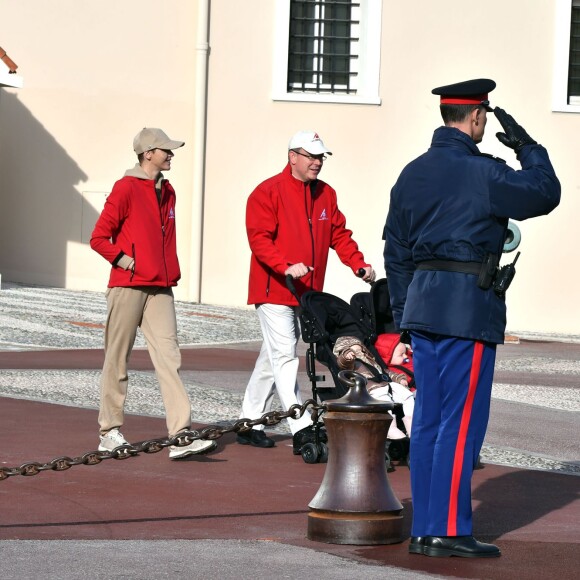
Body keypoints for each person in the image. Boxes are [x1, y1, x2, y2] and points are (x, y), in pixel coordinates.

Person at [383, 79, 560, 558]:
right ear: (478, 116)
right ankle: (451, 529)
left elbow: (395, 254)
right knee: (461, 423)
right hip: (467, 307)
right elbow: (545, 193)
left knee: (428, 422)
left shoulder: (411, 173)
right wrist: (529, 147)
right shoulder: (484, 172)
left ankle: (426, 526)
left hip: (423, 307)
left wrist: (404, 318)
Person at [239, 130, 376, 451]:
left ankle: (248, 420)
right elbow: (259, 239)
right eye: (311, 157)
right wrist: (284, 264)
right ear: (293, 157)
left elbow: (339, 234)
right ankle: (301, 426)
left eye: (320, 157)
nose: (317, 163)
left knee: (272, 357)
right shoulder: (267, 192)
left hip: (307, 292)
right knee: (286, 355)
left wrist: (358, 264)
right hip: (274, 288)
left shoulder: (326, 194)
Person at [90, 127, 217, 460]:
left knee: (170, 359)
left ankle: (180, 435)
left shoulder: (168, 191)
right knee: (117, 358)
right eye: (166, 150)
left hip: (161, 287)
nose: (171, 154)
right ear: (148, 153)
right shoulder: (126, 188)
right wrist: (126, 261)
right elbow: (99, 237)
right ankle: (109, 431)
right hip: (128, 285)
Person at [332, 335, 414, 439]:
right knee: (384, 400)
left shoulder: (371, 360)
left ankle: (412, 425)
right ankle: (390, 427)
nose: (359, 352)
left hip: (386, 383)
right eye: (355, 350)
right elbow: (343, 363)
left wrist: (398, 378)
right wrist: (346, 355)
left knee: (407, 395)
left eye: (360, 349)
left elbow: (385, 372)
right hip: (370, 388)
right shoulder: (353, 363)